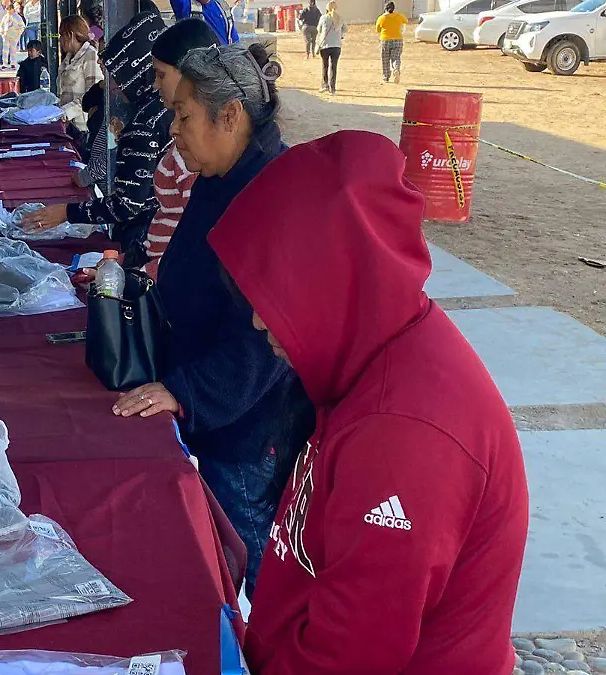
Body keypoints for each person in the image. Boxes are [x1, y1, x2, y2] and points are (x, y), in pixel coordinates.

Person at [209, 131, 528, 675]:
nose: (260, 321)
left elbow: (351, 653)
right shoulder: (373, 348)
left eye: (276, 295)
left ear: (337, 278)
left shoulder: (402, 432)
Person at [113, 43, 314, 594]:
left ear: (230, 115)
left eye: (183, 116)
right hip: (214, 407)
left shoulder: (272, 191)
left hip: (250, 426)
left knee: (261, 575)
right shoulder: (220, 173)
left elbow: (264, 343)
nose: (173, 130)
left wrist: (186, 391)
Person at [23, 9, 171, 266]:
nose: (111, 84)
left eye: (116, 76)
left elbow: (127, 203)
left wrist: (67, 212)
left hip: (147, 236)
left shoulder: (144, 122)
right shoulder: (148, 110)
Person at [143, 18, 219, 279]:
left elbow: (194, 237)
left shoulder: (197, 149)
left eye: (161, 74)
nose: (155, 84)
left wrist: (148, 271)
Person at [55, 15, 102, 131]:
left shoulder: (90, 55)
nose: (60, 40)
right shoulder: (68, 59)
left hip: (82, 126)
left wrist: (65, 111)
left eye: (62, 35)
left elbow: (93, 96)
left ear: (71, 35)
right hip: (66, 125)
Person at [317, 0, 345, 94]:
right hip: (337, 46)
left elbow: (319, 29)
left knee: (325, 65)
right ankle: (332, 88)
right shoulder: (340, 18)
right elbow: (345, 29)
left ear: (327, 8)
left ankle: (325, 84)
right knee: (334, 67)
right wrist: (339, 34)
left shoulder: (323, 18)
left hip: (325, 45)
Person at [376, 1, 408, 83]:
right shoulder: (399, 16)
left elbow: (378, 30)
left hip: (385, 40)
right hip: (398, 39)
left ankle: (386, 77)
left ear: (385, 9)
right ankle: (396, 69)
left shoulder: (381, 18)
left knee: (385, 59)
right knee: (396, 58)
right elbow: (406, 21)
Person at [0, 1, 25, 68]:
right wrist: (2, 32)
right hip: (6, 35)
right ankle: (5, 64)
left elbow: (22, 26)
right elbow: (1, 26)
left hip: (14, 35)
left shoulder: (17, 17)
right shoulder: (5, 17)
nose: (8, 11)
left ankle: (13, 63)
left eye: (9, 9)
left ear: (12, 9)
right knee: (5, 50)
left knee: (13, 50)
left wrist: (18, 33)